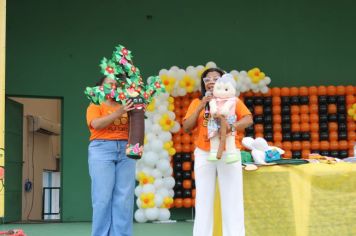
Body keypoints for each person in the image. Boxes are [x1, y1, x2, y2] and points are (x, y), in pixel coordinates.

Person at [183, 68, 253, 236]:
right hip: (204, 153)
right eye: (207, 79)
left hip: (229, 150)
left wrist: (232, 127)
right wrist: (201, 104)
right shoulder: (196, 102)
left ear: (224, 81)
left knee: (232, 199)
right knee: (203, 201)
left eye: (216, 78)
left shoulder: (233, 100)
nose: (211, 81)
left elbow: (248, 119)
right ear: (203, 84)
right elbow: (186, 127)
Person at [86, 76, 136, 236]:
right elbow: (96, 124)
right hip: (101, 148)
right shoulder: (95, 105)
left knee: (124, 198)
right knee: (102, 197)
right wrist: (120, 111)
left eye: (117, 85)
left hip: (125, 149)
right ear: (100, 87)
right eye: (110, 84)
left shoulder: (127, 106)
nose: (114, 87)